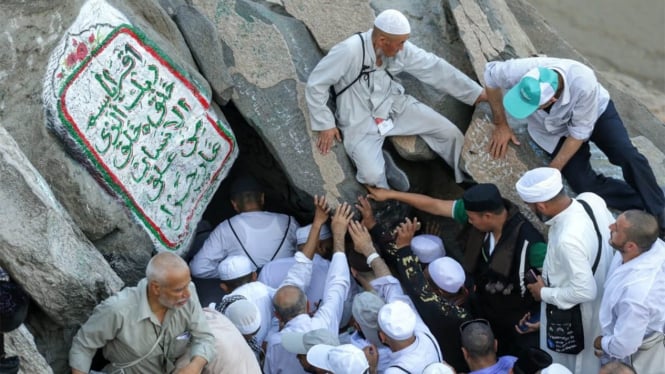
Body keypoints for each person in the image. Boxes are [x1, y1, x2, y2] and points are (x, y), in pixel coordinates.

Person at [305, 8, 486, 191]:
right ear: (382, 40)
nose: (403, 47)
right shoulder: (349, 50)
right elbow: (316, 84)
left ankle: (466, 180)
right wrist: (325, 124)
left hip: (394, 106)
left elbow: (434, 67)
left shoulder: (399, 49)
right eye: (400, 43)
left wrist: (475, 93)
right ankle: (390, 188)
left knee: (449, 132)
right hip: (359, 120)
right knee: (371, 175)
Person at [483, 57, 665, 237]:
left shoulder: (583, 82)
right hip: (551, 131)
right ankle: (643, 201)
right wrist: (501, 125)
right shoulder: (520, 69)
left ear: (551, 100)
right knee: (583, 184)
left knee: (627, 155)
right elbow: (490, 74)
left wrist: (553, 170)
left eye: (532, 107)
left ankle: (660, 212)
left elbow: (579, 134)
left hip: (596, 114)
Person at [367, 183, 546, 356]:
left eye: (471, 218)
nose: (467, 220)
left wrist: (540, 317)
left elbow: (557, 284)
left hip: (513, 319)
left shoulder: (533, 246)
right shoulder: (478, 214)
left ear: (487, 216)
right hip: (481, 303)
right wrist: (391, 194)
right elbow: (436, 205)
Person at [515, 167, 614, 374]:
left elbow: (585, 291)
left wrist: (543, 293)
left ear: (541, 205)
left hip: (580, 319)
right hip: (601, 303)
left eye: (530, 206)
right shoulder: (590, 199)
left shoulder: (567, 239)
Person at [69, 252, 216, 374]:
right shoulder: (118, 309)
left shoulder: (188, 293)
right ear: (156, 288)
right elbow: (83, 345)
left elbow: (204, 338)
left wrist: (195, 366)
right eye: (178, 290)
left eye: (187, 285)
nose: (187, 294)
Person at [263, 202, 353, 374]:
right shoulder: (323, 325)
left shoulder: (275, 343)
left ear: (276, 315)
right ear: (307, 306)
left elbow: (298, 274)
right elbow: (337, 284)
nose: (299, 357)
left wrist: (318, 223)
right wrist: (338, 235)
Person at [594, 210, 665, 372]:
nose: (610, 226)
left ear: (631, 246)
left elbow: (624, 346)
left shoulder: (636, 295)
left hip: (633, 355)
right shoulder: (652, 247)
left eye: (616, 228)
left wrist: (601, 342)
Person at [190, 175, 300, 278]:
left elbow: (198, 268)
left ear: (234, 204)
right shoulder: (289, 221)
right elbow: (306, 254)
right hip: (289, 286)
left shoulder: (226, 228)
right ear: (262, 198)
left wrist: (235, 274)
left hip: (249, 290)